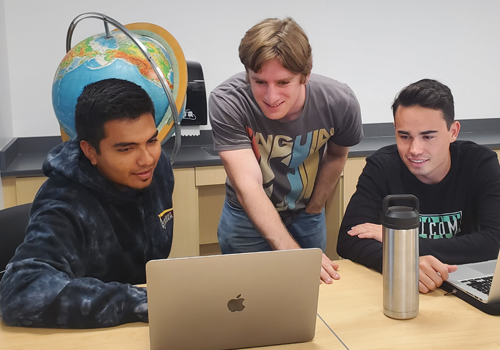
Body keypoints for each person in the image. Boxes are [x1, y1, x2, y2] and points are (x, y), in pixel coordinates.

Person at [0, 79, 174, 328]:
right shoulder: (64, 201)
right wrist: (138, 301)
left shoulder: (158, 167)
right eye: (126, 149)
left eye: (152, 141)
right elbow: (21, 292)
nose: (147, 159)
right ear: (90, 151)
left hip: (144, 324)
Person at [209, 17, 363, 284]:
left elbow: (337, 154)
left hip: (307, 215)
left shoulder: (339, 102)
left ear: (305, 75)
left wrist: (315, 208)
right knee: (246, 300)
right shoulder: (227, 101)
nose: (270, 97)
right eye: (259, 82)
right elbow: (248, 185)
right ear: (247, 73)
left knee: (312, 300)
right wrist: (294, 255)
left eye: (283, 83)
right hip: (245, 218)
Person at [337, 79, 500, 293]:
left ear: (453, 131)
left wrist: (398, 241)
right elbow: (349, 240)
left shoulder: (480, 163)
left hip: (463, 283)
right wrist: (403, 264)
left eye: (428, 136)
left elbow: (493, 241)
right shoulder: (382, 166)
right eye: (404, 136)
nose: (414, 149)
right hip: (403, 288)